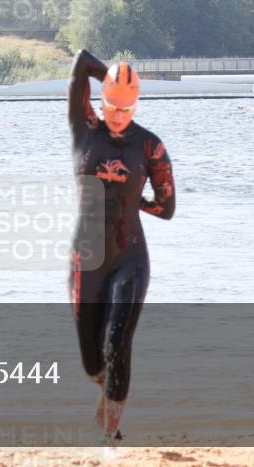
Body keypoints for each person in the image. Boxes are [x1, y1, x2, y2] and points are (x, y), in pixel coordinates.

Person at [67, 49, 175, 444]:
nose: (117, 115)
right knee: (93, 361)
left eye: (126, 109)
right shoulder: (84, 129)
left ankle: (112, 437)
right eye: (112, 105)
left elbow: (166, 209)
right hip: (86, 258)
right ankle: (106, 395)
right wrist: (113, 73)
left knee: (118, 343)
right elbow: (80, 62)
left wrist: (133, 201)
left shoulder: (150, 147)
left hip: (130, 256)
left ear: (137, 106)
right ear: (101, 99)